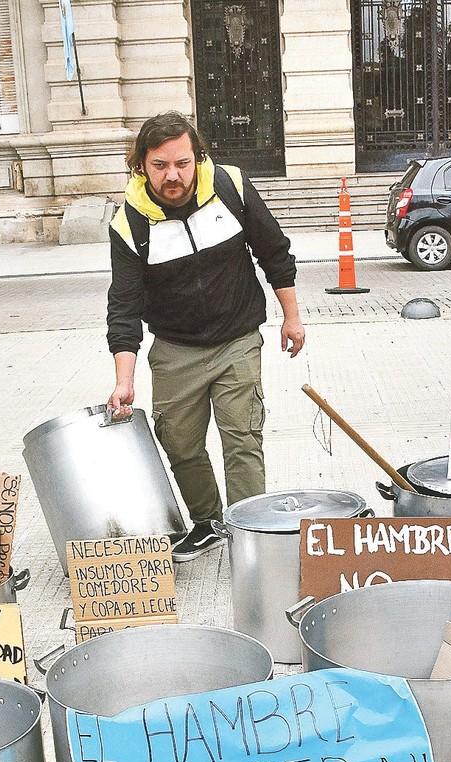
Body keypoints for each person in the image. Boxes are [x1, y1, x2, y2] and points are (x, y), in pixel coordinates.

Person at [105, 112, 305, 561]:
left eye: (182, 162)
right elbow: (124, 307)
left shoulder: (231, 187)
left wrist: (291, 318)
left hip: (237, 339)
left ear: (198, 157)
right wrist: (124, 380)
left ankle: (253, 530)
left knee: (242, 438)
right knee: (179, 442)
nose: (172, 175)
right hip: (175, 349)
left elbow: (275, 252)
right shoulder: (130, 223)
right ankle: (209, 522)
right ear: (141, 165)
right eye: (159, 165)